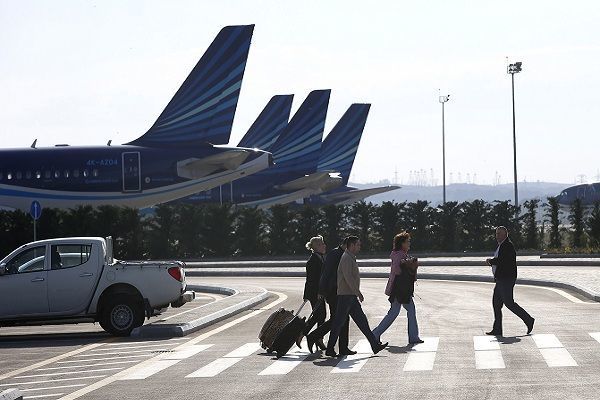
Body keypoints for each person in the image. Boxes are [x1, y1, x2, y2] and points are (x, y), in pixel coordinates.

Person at [325, 236, 387, 357]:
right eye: (357, 245)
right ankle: (330, 348)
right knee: (338, 323)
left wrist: (355, 293)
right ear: (351, 245)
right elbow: (348, 278)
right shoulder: (347, 258)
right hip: (345, 296)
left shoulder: (350, 257)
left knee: (362, 321)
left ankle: (374, 345)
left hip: (350, 296)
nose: (359, 247)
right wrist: (358, 292)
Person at [372, 232, 423, 345]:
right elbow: (397, 270)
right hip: (399, 290)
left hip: (402, 290)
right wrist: (407, 264)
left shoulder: (401, 254)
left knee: (407, 310)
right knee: (394, 313)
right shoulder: (399, 255)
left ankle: (413, 336)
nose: (409, 243)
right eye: (407, 241)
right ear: (402, 243)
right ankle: (375, 334)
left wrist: (408, 263)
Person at [305, 238, 354, 355]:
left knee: (341, 319)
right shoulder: (334, 255)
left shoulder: (329, 256)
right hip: (333, 292)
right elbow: (322, 276)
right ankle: (314, 336)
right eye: (321, 244)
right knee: (337, 319)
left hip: (339, 292)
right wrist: (320, 292)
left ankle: (341, 347)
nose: (324, 246)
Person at [485, 226, 535, 336]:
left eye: (499, 234)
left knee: (509, 303)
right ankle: (497, 329)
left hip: (506, 279)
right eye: (496, 233)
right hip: (501, 279)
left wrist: (491, 261)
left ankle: (528, 320)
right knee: (496, 304)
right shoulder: (502, 245)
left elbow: (503, 261)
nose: (497, 236)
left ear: (505, 235)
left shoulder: (508, 246)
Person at [298, 235, 327, 350]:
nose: (324, 246)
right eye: (321, 244)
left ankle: (318, 338)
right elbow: (311, 280)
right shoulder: (312, 260)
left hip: (319, 292)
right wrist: (309, 295)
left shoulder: (320, 258)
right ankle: (303, 333)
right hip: (315, 293)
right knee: (320, 315)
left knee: (320, 315)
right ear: (316, 247)